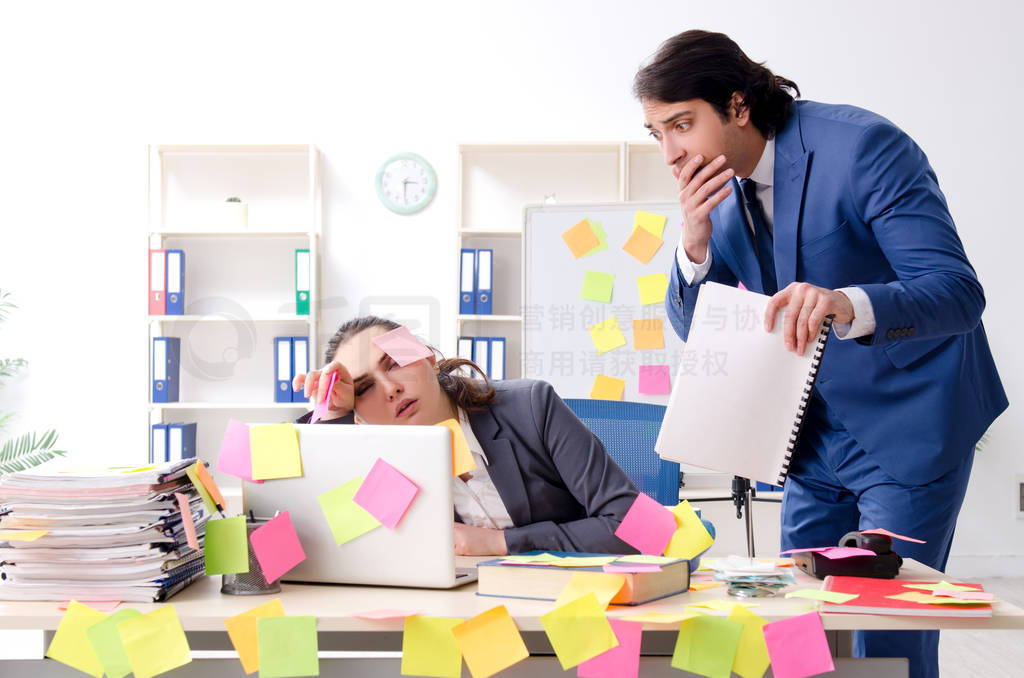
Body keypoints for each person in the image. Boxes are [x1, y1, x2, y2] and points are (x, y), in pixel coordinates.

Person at [634, 29, 1007, 678]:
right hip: (810, 437)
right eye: (656, 133)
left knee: (882, 628)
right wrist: (693, 246)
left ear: (739, 106)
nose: (670, 153)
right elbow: (704, 330)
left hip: (908, 424)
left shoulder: (864, 148)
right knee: (797, 625)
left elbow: (957, 293)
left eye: (682, 125)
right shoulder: (716, 197)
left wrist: (848, 302)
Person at [293, 315, 640, 557]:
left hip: (577, 608)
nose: (391, 388)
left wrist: (500, 542)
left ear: (426, 356)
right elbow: (337, 544)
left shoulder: (532, 407)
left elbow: (637, 526)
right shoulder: (382, 462)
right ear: (359, 417)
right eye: (365, 387)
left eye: (394, 363)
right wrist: (333, 415)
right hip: (462, 620)